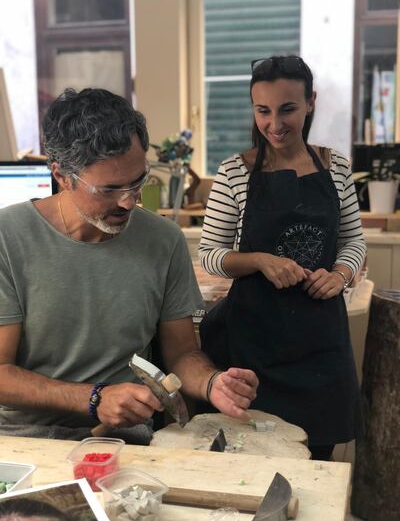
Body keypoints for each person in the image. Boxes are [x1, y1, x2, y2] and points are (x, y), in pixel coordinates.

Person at [0, 88, 258, 442]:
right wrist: (94, 400)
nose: (128, 201)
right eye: (109, 189)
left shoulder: (163, 240)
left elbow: (182, 354)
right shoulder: (8, 238)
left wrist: (212, 383)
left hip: (124, 441)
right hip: (25, 440)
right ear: (61, 175)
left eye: (138, 182)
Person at [199, 56, 367, 461]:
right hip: (253, 343)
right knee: (250, 459)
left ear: (310, 102)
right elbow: (209, 255)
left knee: (317, 463)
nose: (275, 124)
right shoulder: (235, 172)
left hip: (319, 342)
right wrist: (258, 260)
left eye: (288, 109)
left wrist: (342, 273)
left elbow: (353, 242)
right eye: (263, 111)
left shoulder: (336, 166)